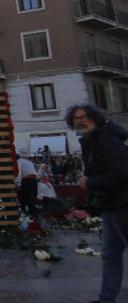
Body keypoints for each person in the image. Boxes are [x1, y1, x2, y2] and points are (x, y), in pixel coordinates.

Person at [66, 105, 128, 303]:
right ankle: (106, 299)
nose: (80, 121)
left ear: (94, 118)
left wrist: (91, 182)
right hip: (110, 205)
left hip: (124, 203)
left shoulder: (105, 138)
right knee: (110, 255)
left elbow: (122, 172)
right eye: (76, 118)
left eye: (84, 117)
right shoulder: (90, 141)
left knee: (112, 254)